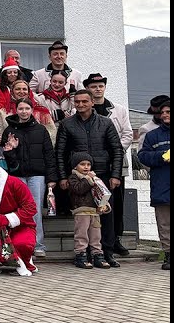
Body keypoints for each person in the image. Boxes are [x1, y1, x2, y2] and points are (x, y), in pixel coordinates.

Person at [54, 90, 124, 268]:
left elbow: (117, 149)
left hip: (102, 175)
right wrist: (63, 177)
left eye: (85, 101)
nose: (80, 105)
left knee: (105, 214)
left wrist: (115, 175)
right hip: (78, 178)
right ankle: (82, 254)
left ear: (92, 102)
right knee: (83, 218)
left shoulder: (106, 123)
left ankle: (106, 254)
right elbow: (60, 153)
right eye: (77, 102)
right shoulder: (67, 124)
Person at [84, 73, 134, 255]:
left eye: (100, 86)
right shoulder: (84, 110)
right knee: (94, 203)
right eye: (93, 86)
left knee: (116, 203)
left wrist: (115, 151)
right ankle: (94, 242)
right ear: (88, 89)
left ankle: (115, 240)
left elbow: (128, 133)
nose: (97, 89)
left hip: (116, 164)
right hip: (93, 166)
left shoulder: (119, 109)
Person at [2, 98, 58, 257]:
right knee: (18, 211)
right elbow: (7, 158)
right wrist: (10, 150)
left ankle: (38, 245)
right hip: (17, 176)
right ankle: (19, 244)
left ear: (32, 110)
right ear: (16, 110)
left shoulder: (41, 130)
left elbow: (49, 155)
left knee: (35, 211)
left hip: (37, 175)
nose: (24, 111)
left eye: (27, 108)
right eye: (21, 109)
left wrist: (51, 178)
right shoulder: (9, 131)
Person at [137, 100, 170, 270]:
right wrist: (162, 156)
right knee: (164, 223)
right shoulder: (153, 135)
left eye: (168, 112)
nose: (165, 115)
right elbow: (142, 156)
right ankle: (168, 254)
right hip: (162, 185)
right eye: (163, 112)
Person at [65, 152, 112, 269]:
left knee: (96, 235)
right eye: (82, 164)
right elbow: (79, 189)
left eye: (88, 164)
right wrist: (89, 180)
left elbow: (101, 192)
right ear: (75, 166)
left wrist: (104, 204)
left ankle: (97, 255)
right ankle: (81, 255)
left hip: (94, 211)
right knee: (81, 234)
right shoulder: (73, 178)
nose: (86, 167)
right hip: (81, 211)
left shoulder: (94, 178)